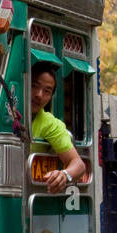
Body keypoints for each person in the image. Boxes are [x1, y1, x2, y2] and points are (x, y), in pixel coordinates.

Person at [29, 61, 87, 193]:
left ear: (50, 97)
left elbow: (78, 164)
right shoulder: (3, 114)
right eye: (34, 86)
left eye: (47, 91)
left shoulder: (49, 123)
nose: (39, 95)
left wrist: (64, 175)